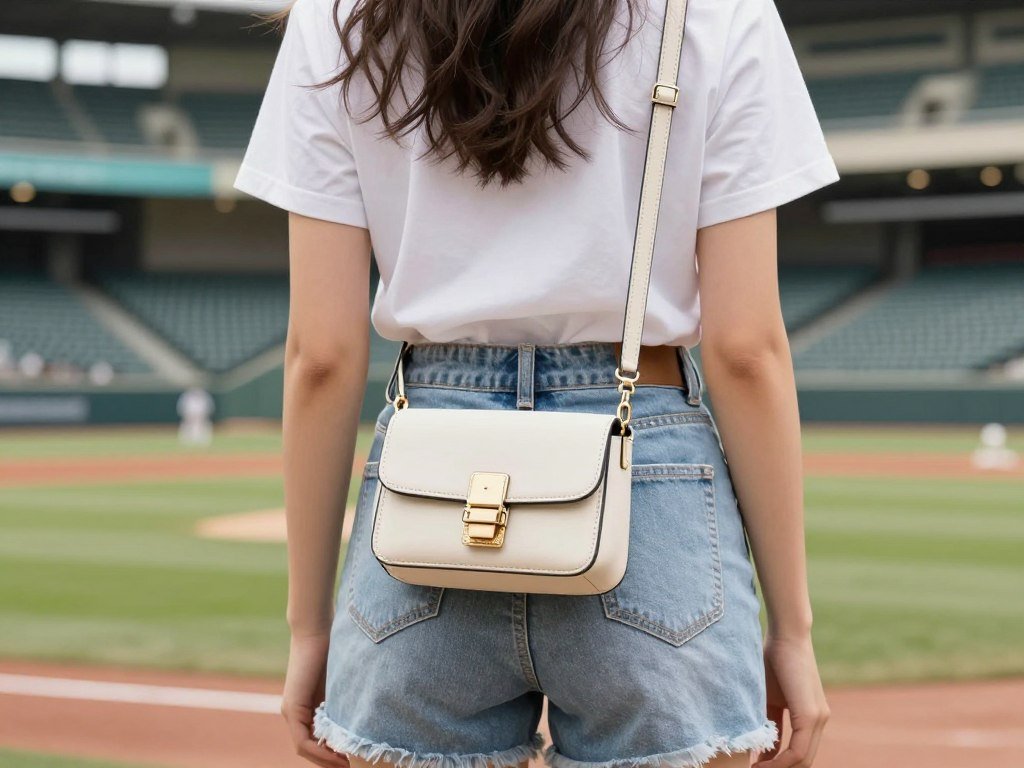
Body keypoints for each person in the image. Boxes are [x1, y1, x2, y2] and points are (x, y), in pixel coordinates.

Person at [233, 0, 839, 766]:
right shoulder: (718, 10)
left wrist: (310, 629)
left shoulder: (337, 16)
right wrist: (792, 632)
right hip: (645, 461)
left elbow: (320, 355)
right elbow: (746, 350)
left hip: (432, 479)